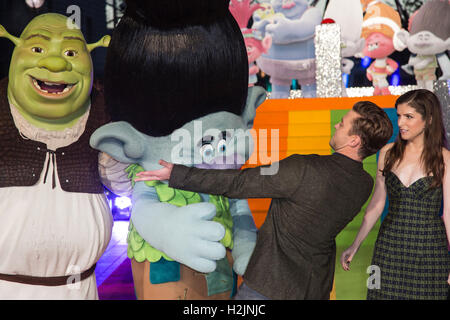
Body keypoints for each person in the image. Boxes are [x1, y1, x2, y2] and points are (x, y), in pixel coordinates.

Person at [134, 101, 394, 300]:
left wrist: (177, 174)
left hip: (270, 284)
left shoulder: (303, 167)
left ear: (354, 140)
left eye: (343, 123)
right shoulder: (364, 183)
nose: (337, 125)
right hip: (316, 286)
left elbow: (238, 183)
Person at [340, 89, 450, 300]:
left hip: (429, 252)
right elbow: (377, 204)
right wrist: (355, 244)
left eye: (409, 117)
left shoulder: (445, 159)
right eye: (399, 116)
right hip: (389, 248)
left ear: (428, 120)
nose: (400, 123)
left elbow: (449, 215)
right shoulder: (388, 152)